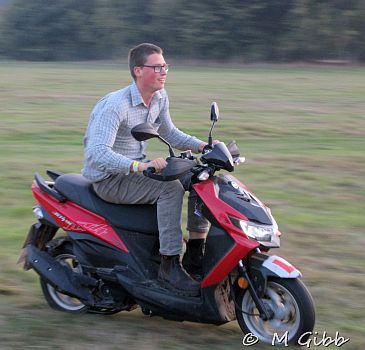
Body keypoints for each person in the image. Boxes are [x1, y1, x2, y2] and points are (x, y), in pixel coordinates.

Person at [82, 43, 209, 296]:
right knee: (170, 189)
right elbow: (98, 153)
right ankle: (169, 266)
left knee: (199, 176)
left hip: (136, 171)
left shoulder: (159, 97)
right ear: (138, 70)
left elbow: (168, 132)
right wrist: (141, 166)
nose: (164, 72)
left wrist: (203, 146)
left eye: (165, 66)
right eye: (157, 67)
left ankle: (195, 253)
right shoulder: (116, 105)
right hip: (110, 178)